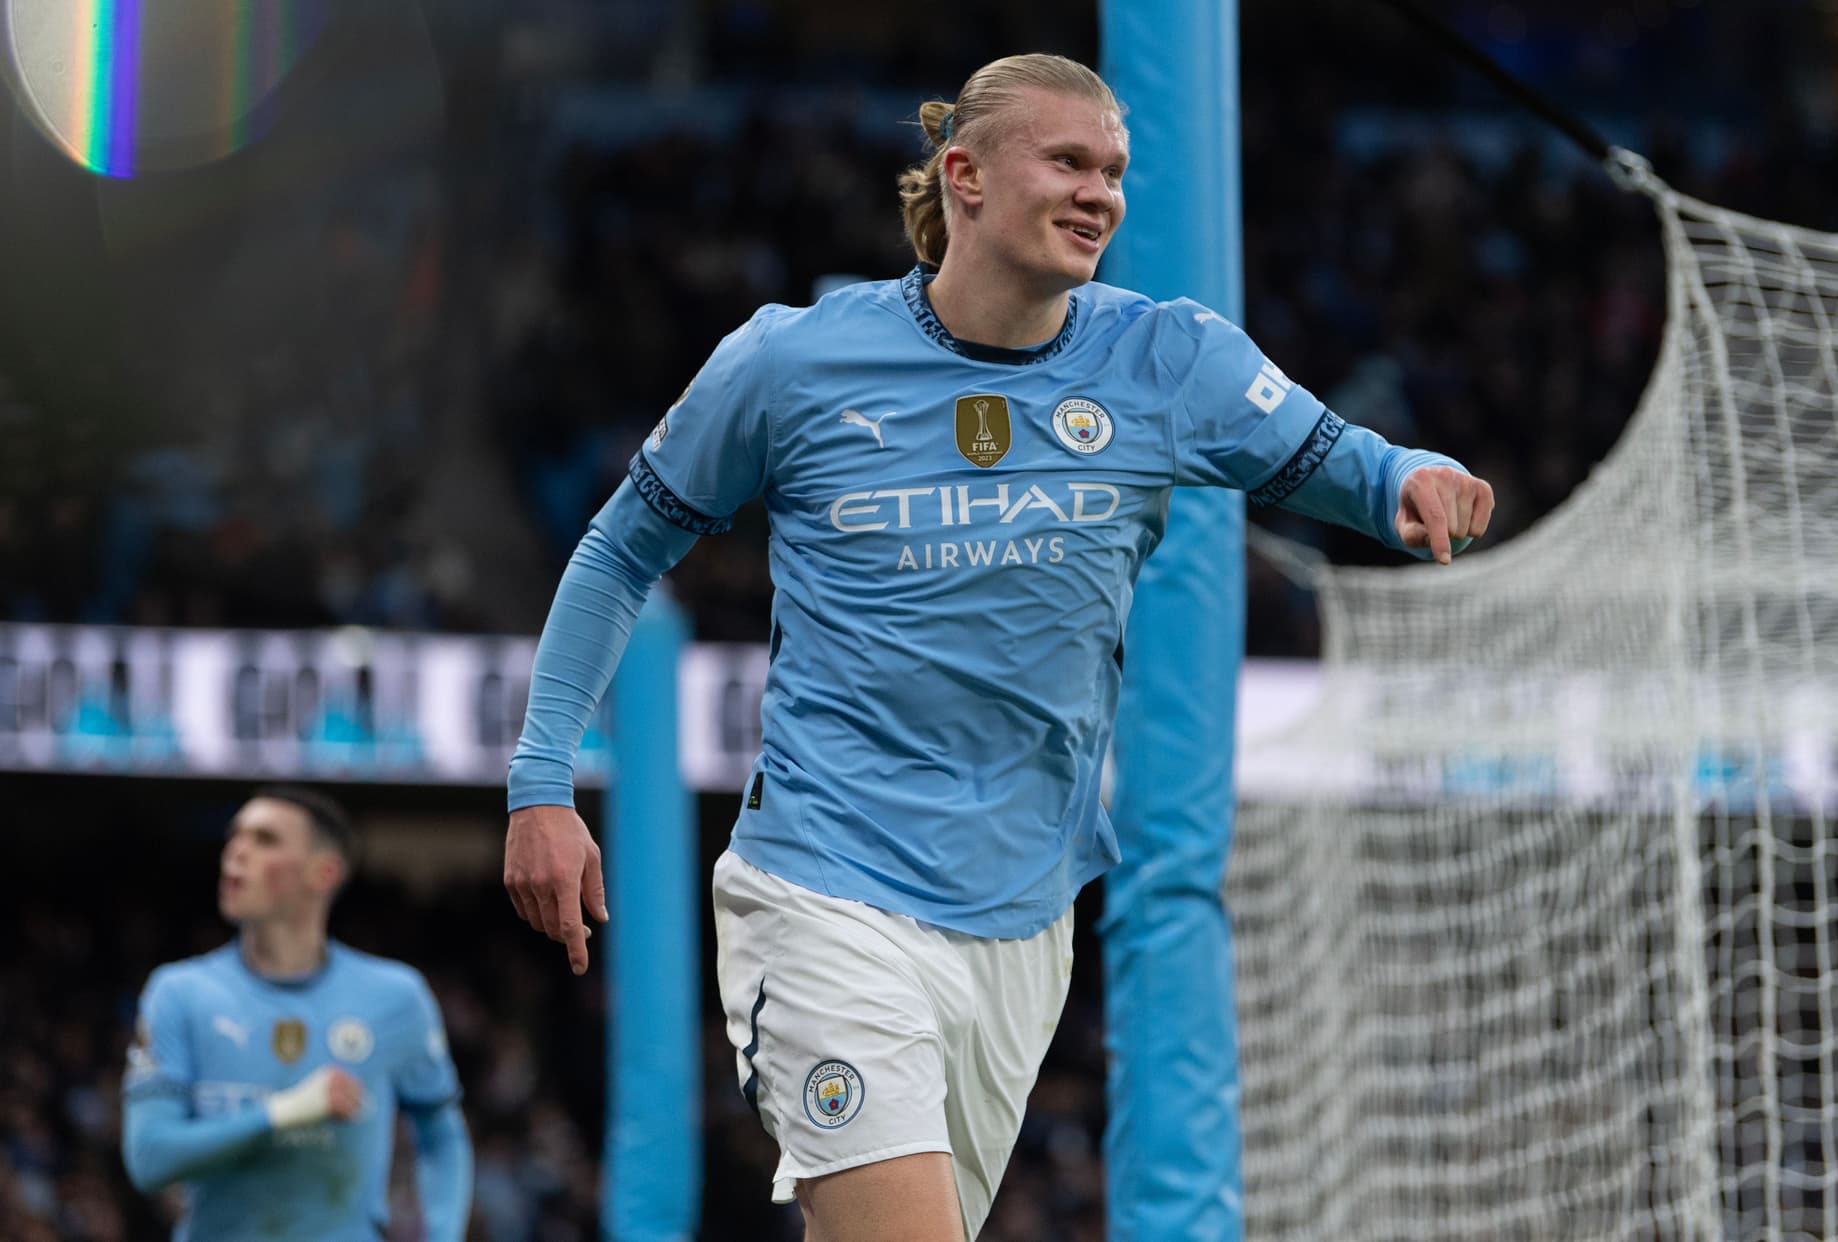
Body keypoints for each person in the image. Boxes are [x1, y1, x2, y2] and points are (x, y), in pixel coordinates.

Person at [503, 52, 1494, 1241]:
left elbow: (1342, 460)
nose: (1101, 195)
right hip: (827, 889)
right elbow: (619, 552)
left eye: (1116, 171)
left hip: (1023, 921)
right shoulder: (791, 361)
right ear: (963, 177)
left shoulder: (1166, 358)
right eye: (1068, 162)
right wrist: (539, 782)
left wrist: (1411, 477)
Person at [121, 785, 473, 1242]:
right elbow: (150, 1158)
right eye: (235, 836)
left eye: (264, 840)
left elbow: (442, 1134)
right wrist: (284, 1112)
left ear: (323, 872)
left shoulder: (396, 997)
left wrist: (444, 1234)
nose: (236, 852)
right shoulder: (179, 993)